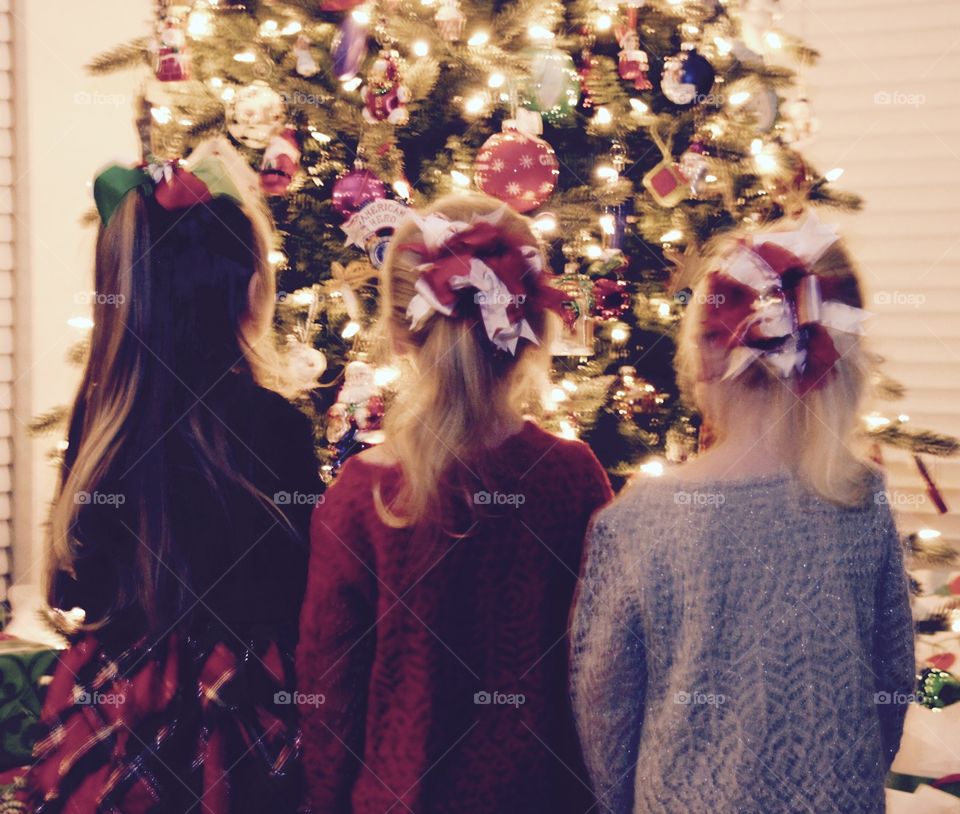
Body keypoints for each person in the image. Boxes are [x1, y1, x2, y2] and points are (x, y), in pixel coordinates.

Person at [570, 214, 916, 813]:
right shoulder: (860, 500)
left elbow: (604, 705)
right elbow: (892, 679)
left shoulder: (637, 520)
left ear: (706, 352)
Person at [297, 193, 613, 814]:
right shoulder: (573, 478)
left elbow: (328, 690)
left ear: (395, 332)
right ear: (536, 330)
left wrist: (326, 797)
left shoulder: (362, 496)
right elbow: (604, 672)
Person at [29, 150, 320, 814]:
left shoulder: (102, 423)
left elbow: (79, 583)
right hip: (244, 719)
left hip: (115, 720)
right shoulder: (275, 427)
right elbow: (308, 597)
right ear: (247, 290)